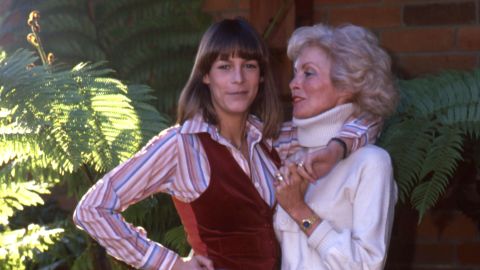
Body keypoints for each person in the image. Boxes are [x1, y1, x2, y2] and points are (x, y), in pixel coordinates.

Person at [73, 18, 380, 270]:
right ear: (205, 75)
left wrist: (336, 147)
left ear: (261, 76)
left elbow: (369, 116)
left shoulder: (272, 143)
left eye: (249, 66)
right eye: (224, 66)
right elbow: (92, 209)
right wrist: (170, 264)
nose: (238, 79)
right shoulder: (182, 146)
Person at [274, 24, 398, 270]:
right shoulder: (288, 152)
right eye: (295, 73)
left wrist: (300, 211)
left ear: (346, 87)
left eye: (308, 73)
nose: (293, 84)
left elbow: (366, 265)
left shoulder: (371, 163)